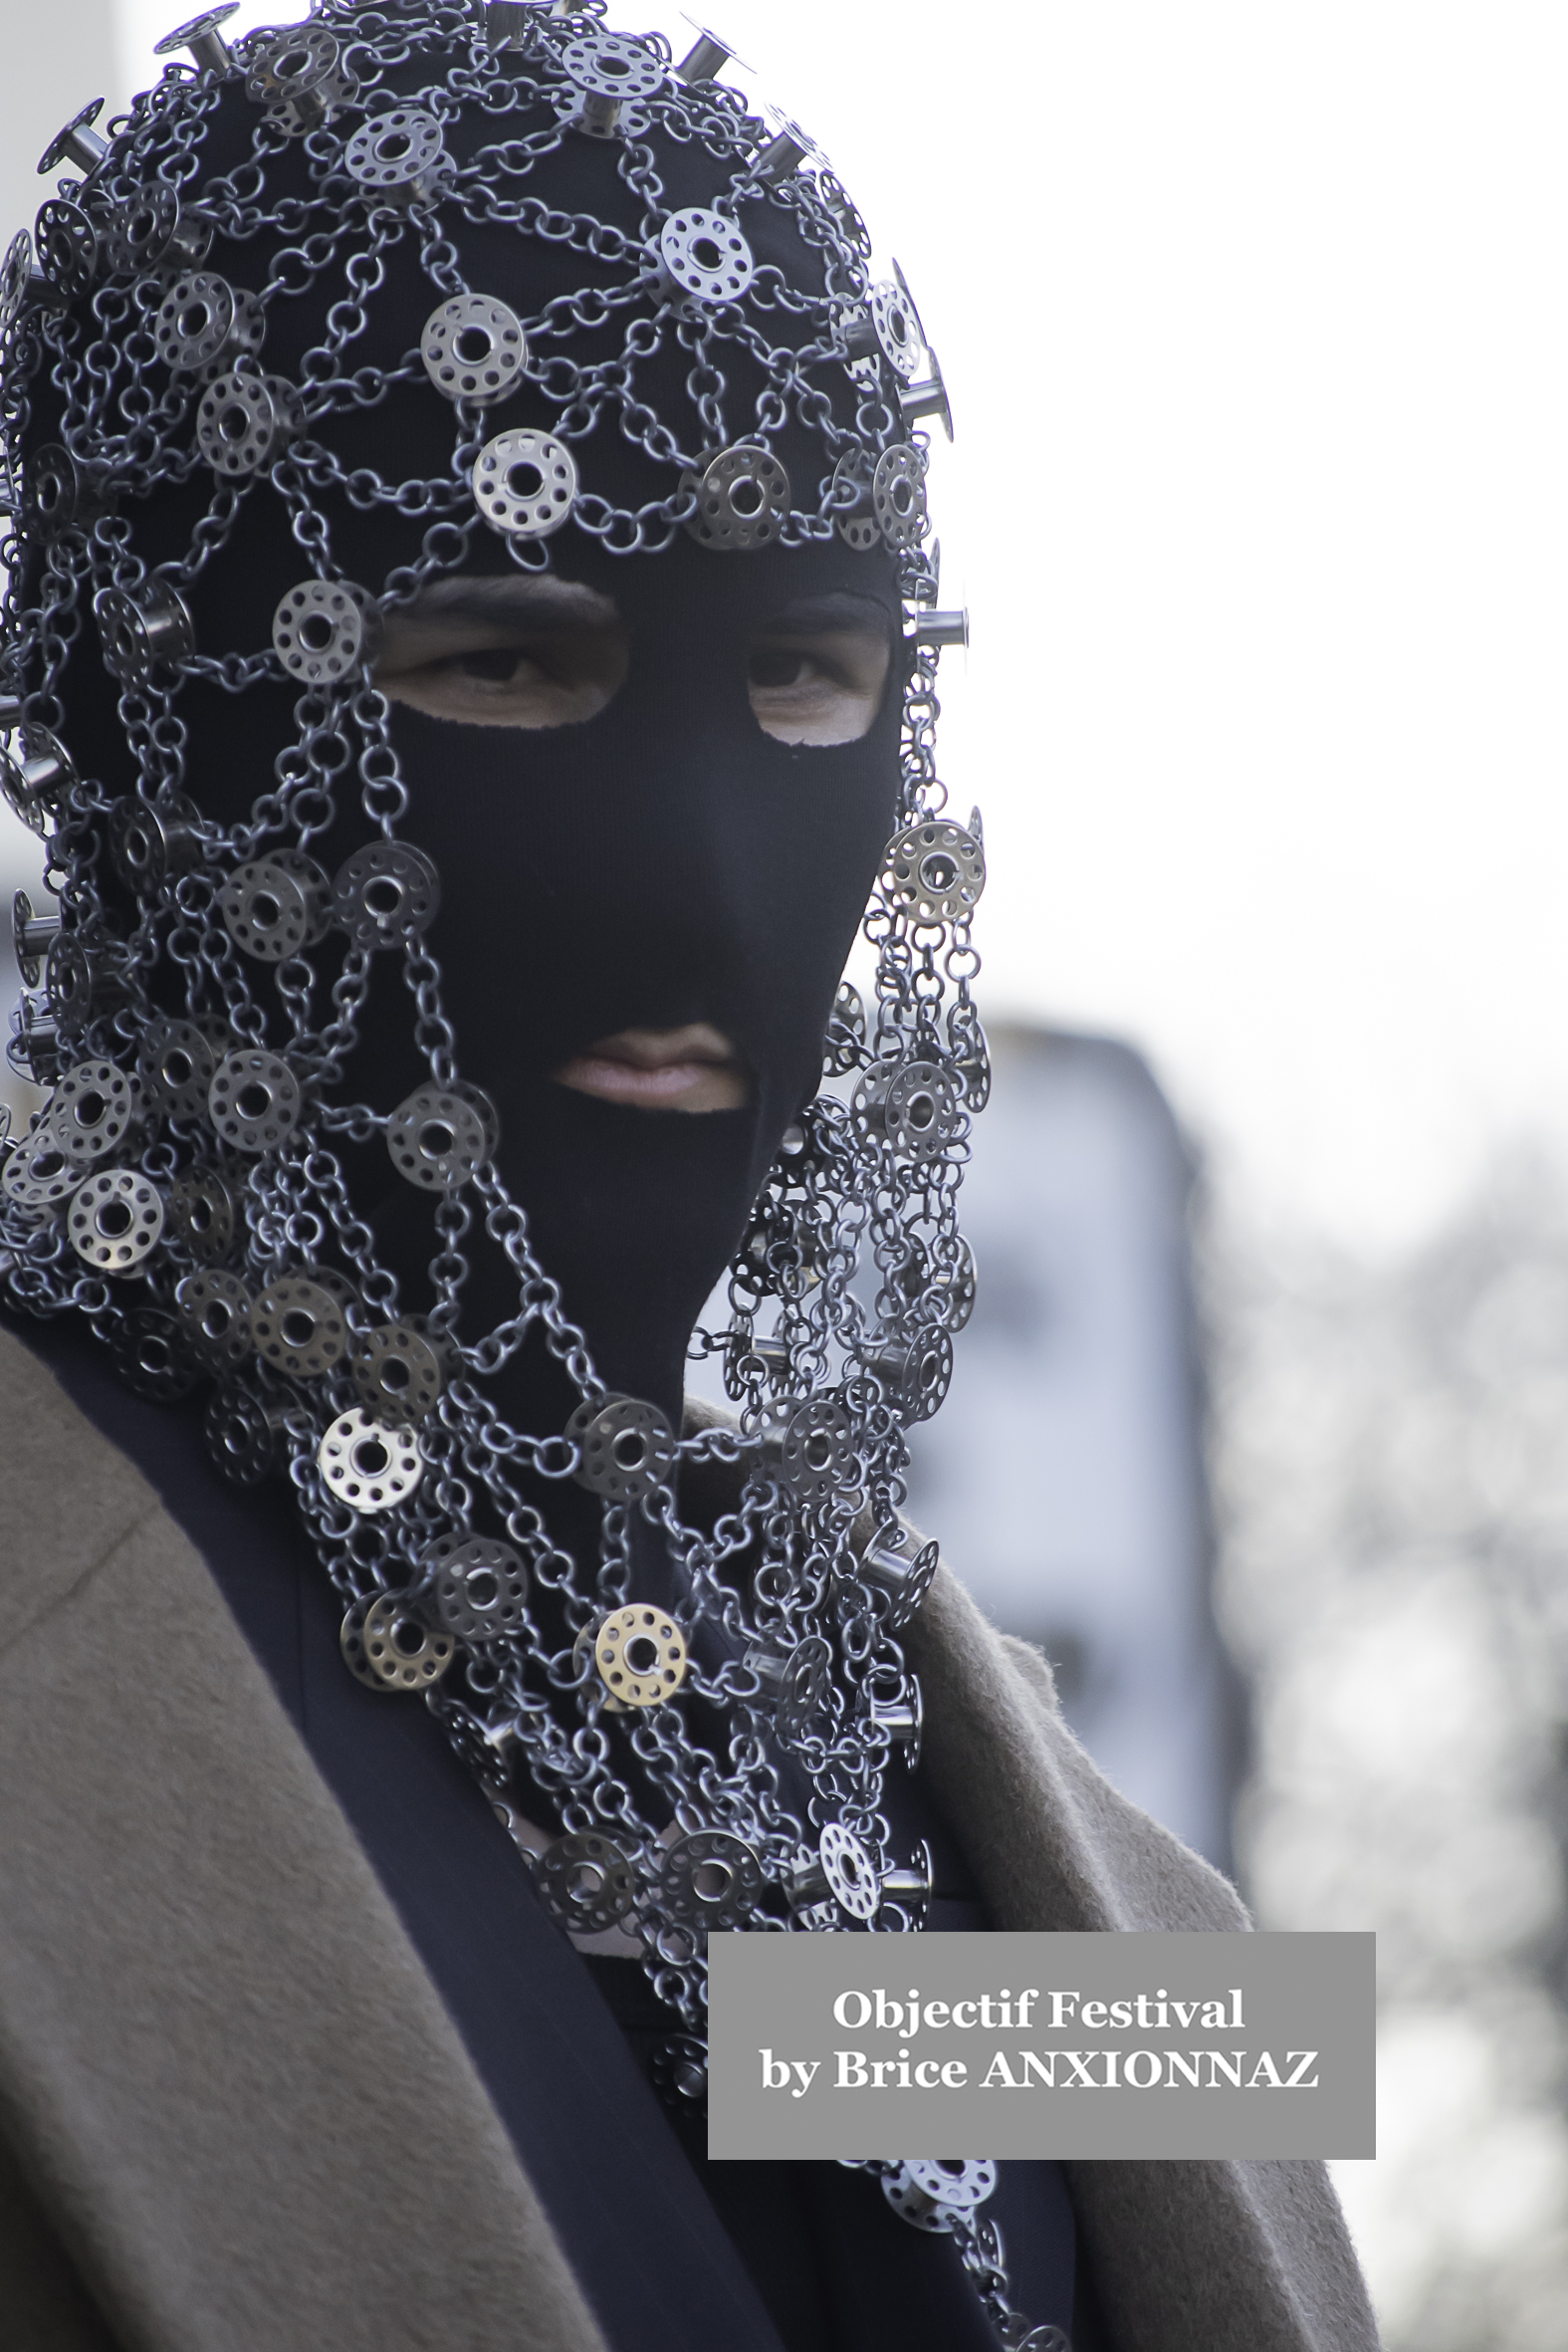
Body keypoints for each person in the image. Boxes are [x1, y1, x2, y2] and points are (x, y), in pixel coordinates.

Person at [0, 7, 1378, 2349]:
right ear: (167, 706)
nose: (702, 890)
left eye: (811, 674)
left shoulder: (1115, 1906)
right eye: (508, 661)